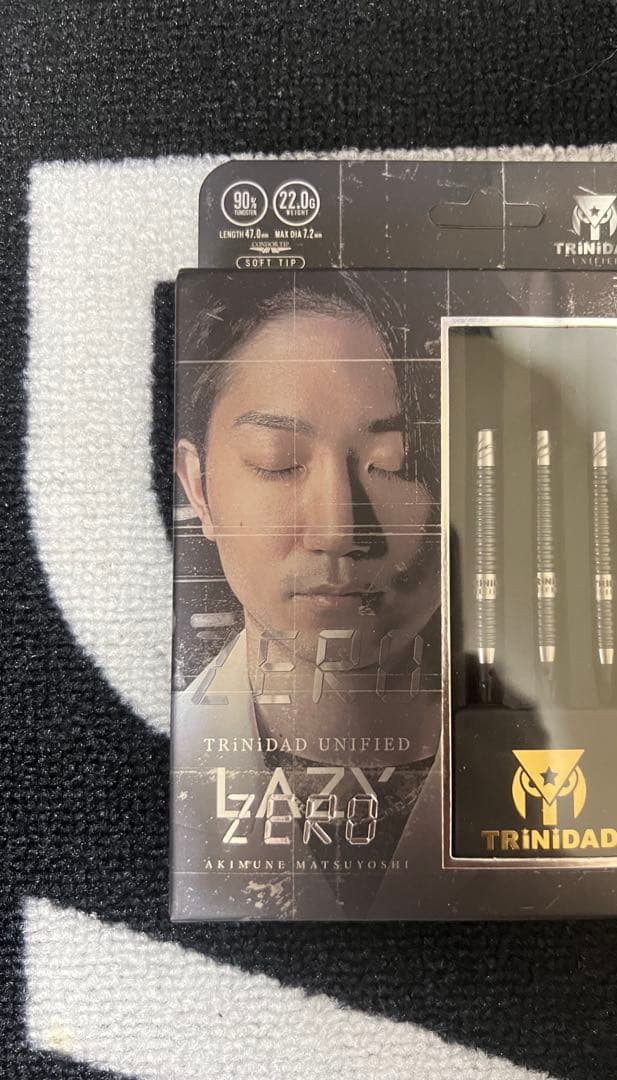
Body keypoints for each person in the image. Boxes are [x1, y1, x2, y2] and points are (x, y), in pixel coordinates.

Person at [171, 271, 442, 918]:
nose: (338, 531)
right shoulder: (134, 779)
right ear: (199, 488)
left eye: (396, 464)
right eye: (278, 461)